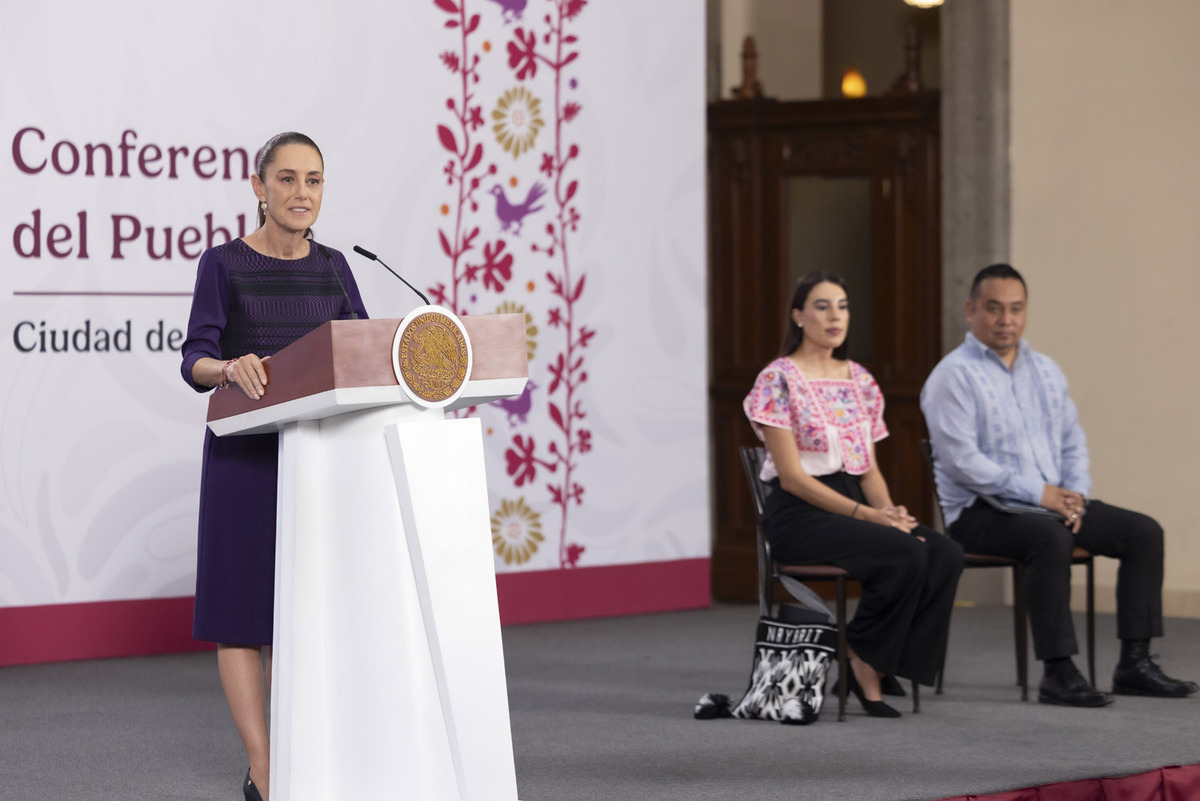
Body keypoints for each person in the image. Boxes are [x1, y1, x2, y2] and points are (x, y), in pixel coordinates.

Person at [180, 132, 368, 801]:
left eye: (313, 180)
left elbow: (362, 352)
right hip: (245, 460)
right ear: (258, 188)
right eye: (285, 179)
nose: (300, 193)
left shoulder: (338, 267)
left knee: (312, 613)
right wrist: (228, 366)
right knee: (242, 616)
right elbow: (194, 360)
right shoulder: (223, 264)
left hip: (321, 460)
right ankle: (264, 764)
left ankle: (310, 749)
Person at [920, 263, 1196, 707]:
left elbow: (1072, 439)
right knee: (1049, 539)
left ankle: (1135, 665)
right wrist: (1040, 493)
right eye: (993, 309)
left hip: (1051, 505)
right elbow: (961, 461)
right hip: (981, 513)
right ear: (971, 310)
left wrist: (1075, 496)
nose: (1005, 319)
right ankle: (1059, 672)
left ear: (1026, 312)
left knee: (1144, 532)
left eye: (1015, 309)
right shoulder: (951, 377)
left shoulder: (1045, 370)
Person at [743, 271, 964, 718]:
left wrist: (889, 511)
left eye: (842, 306)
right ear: (799, 316)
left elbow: (868, 471)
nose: (834, 316)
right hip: (799, 511)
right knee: (905, 554)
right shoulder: (778, 379)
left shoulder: (859, 380)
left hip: (852, 502)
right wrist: (869, 516)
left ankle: (879, 655)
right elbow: (792, 479)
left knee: (943, 552)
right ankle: (865, 659)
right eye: (822, 306)